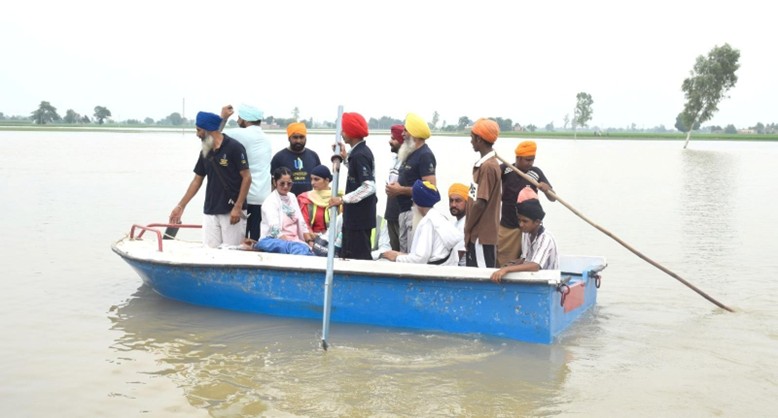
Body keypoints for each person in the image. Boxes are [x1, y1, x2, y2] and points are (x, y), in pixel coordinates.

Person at [169, 111, 250, 248]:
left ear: (208, 130)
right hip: (210, 210)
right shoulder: (205, 150)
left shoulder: (235, 147)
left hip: (232, 211)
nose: (197, 134)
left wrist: (238, 206)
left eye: (199, 130)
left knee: (232, 252)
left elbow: (247, 178)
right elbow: (197, 180)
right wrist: (181, 206)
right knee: (208, 251)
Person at [497, 140, 556, 266]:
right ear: (518, 158)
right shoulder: (506, 169)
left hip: (529, 227)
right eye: (527, 160)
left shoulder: (536, 172)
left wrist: (547, 190)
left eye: (532, 160)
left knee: (527, 260)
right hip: (508, 226)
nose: (530, 163)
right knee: (503, 262)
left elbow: (553, 198)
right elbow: (489, 178)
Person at [327, 112, 377, 260]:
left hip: (359, 219)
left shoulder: (360, 155)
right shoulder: (358, 153)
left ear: (351, 132)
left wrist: (342, 199)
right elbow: (357, 175)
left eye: (343, 130)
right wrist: (345, 159)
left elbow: (369, 186)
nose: (341, 133)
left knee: (358, 258)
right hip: (354, 218)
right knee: (348, 254)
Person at [385, 113, 436, 253]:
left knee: (411, 254)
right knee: (403, 252)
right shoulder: (411, 153)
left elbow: (430, 189)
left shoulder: (425, 155)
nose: (402, 134)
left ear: (415, 133)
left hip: (415, 213)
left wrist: (400, 190)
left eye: (405, 131)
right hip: (403, 212)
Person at [220, 104, 271, 240]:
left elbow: (213, 139)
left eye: (239, 118)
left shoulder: (239, 134)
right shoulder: (266, 138)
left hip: (246, 198)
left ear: (245, 119)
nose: (237, 121)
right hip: (263, 197)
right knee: (256, 240)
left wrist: (223, 118)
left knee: (237, 241)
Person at [382, 180, 462, 266]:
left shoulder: (427, 222)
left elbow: (420, 259)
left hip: (434, 271)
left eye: (413, 200)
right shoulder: (439, 217)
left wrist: (396, 257)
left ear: (417, 202)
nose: (412, 206)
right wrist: (399, 254)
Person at [490, 198, 559, 283]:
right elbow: (524, 259)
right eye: (519, 220)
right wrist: (508, 265)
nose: (521, 224)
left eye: (525, 221)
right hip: (532, 278)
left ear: (537, 222)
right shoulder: (526, 233)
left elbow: (535, 266)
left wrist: (506, 269)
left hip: (548, 281)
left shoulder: (546, 239)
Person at [463, 118, 501, 268]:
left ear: (479, 139)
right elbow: (474, 196)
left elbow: (480, 203)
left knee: (482, 274)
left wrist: (467, 228)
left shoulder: (488, 167)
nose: (471, 141)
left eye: (472, 137)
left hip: (482, 236)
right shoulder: (483, 165)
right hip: (476, 234)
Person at [260, 167, 315, 245]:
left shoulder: (292, 197)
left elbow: (301, 221)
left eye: (289, 184)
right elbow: (274, 230)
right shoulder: (270, 201)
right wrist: (290, 245)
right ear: (275, 182)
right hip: (275, 241)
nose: (285, 186)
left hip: (294, 240)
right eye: (282, 183)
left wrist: (309, 241)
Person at [270, 122, 321, 196]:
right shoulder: (279, 157)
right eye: (295, 137)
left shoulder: (313, 156)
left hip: (308, 200)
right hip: (285, 200)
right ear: (289, 138)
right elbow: (273, 183)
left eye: (301, 137)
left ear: (305, 138)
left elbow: (320, 180)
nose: (298, 141)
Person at [315, 213, 391, 261]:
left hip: (369, 263)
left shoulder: (380, 221)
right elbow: (326, 239)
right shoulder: (342, 217)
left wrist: (367, 256)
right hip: (342, 261)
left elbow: (385, 249)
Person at [297, 164, 337, 234]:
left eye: (316, 179)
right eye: (311, 179)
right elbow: (304, 224)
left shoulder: (338, 198)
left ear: (327, 180)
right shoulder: (305, 198)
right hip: (312, 237)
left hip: (335, 237)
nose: (312, 183)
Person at [384, 124, 405, 251]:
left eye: (393, 138)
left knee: (404, 251)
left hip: (402, 214)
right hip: (391, 212)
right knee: (394, 249)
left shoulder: (409, 161)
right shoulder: (395, 160)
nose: (390, 141)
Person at [448, 182, 469, 266]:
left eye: (458, 201)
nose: (453, 205)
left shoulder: (465, 224)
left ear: (467, 202)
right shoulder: (457, 223)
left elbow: (457, 256)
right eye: (451, 201)